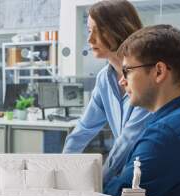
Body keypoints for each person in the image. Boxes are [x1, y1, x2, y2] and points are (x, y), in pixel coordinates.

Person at [105, 25, 180, 196]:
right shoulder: (179, 119)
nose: (122, 81)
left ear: (159, 71)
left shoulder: (165, 136)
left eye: (127, 71)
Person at [62, 0, 152, 185]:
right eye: (89, 30)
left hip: (151, 171)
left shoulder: (146, 76)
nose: (90, 39)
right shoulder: (105, 78)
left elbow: (129, 140)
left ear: (119, 29)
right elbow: (84, 129)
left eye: (99, 30)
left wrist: (98, 182)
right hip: (126, 171)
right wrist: (61, 168)